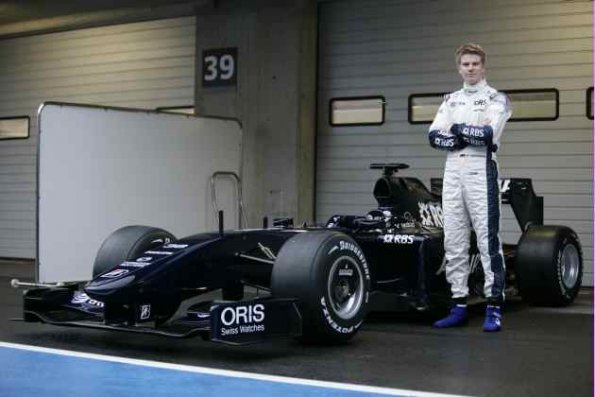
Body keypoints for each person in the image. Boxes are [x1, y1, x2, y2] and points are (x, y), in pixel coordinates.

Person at [428, 43, 512, 332]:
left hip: (481, 169)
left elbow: (488, 134)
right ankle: (459, 303)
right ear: (459, 67)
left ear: (483, 66)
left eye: (475, 63)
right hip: (452, 171)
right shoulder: (450, 100)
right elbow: (433, 136)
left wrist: (457, 130)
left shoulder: (497, 98)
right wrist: (461, 135)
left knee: (488, 240)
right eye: (466, 64)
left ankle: (494, 306)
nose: (471, 68)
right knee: (454, 240)